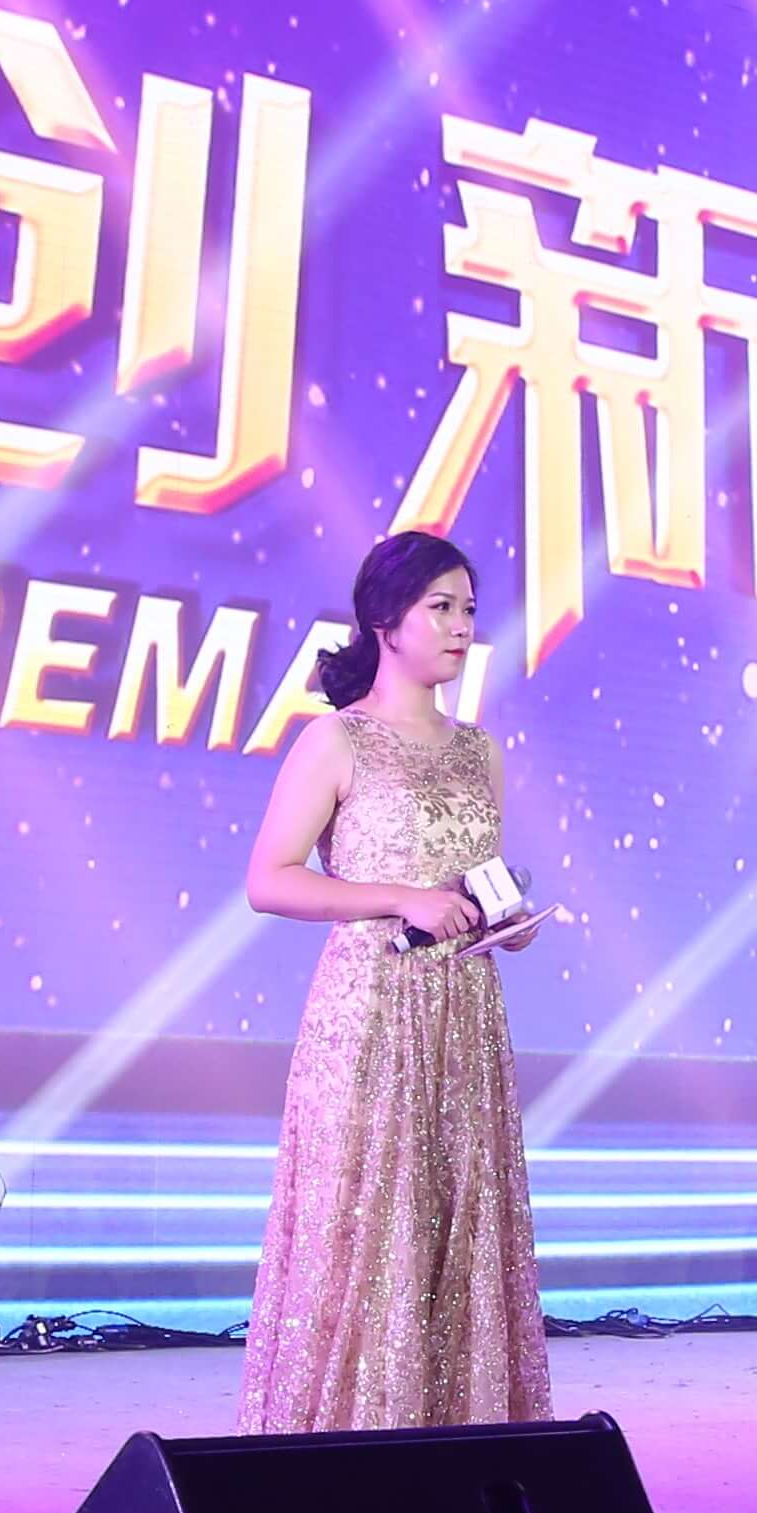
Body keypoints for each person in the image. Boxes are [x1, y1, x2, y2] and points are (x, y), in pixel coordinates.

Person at [238, 530, 551, 1434]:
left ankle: (452, 1443)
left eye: (468, 610)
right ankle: (345, 1448)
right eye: (439, 608)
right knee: (369, 1227)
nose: (460, 627)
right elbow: (270, 879)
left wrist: (500, 921)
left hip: (465, 1015)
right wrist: (400, 898)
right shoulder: (337, 739)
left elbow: (470, 881)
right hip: (370, 1013)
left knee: (457, 1224)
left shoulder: (480, 750)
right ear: (386, 621)